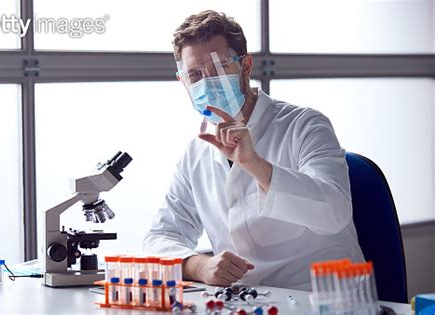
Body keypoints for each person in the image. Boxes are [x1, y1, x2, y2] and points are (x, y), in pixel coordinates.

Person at [143, 10, 364, 290]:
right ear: (182, 81)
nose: (207, 82)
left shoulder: (305, 125)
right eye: (195, 75)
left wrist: (256, 165)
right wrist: (199, 265)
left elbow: (334, 212)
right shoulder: (195, 153)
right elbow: (159, 237)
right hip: (246, 302)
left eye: (220, 68)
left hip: (321, 299)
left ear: (245, 66)